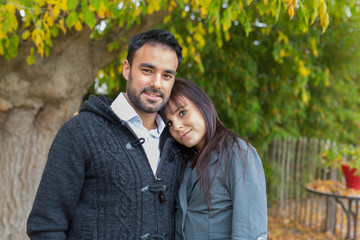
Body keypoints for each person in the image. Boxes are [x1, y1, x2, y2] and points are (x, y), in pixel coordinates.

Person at [27, 29, 183, 239]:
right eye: (147, 70)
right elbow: (45, 226)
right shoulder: (80, 132)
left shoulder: (176, 141)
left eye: (167, 75)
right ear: (126, 69)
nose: (157, 83)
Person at [159, 78, 268, 240]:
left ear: (203, 105)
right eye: (169, 123)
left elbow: (250, 233)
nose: (177, 127)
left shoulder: (237, 153)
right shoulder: (184, 161)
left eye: (182, 113)